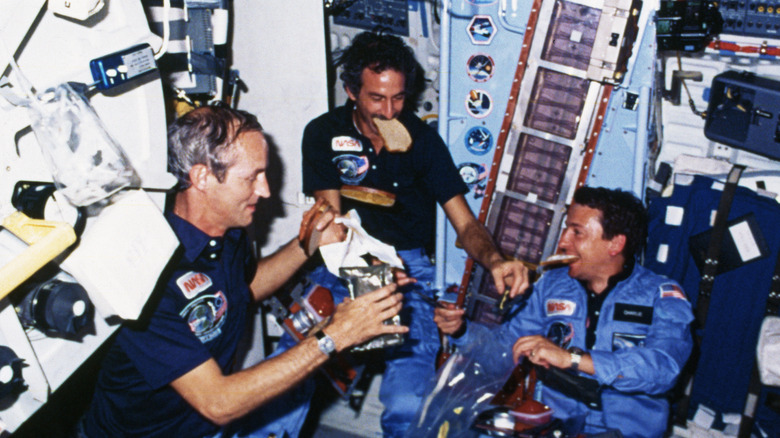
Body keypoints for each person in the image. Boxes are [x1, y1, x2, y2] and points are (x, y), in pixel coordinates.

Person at [79, 105, 409, 437]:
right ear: (203, 177)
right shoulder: (147, 273)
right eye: (252, 177)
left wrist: (306, 245)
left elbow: (243, 289)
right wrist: (334, 335)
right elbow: (218, 402)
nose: (265, 190)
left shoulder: (227, 233)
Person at [297, 31, 530, 437]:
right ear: (352, 91)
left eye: (398, 98)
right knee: (291, 377)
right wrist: (371, 274)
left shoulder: (423, 142)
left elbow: (466, 225)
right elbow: (330, 223)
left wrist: (495, 260)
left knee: (409, 404)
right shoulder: (323, 133)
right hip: (344, 264)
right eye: (376, 98)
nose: (389, 111)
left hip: (411, 272)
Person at [434, 186, 694, 437]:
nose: (562, 243)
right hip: (557, 430)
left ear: (614, 244)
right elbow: (504, 350)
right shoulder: (551, 285)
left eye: (576, 233)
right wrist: (461, 330)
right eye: (565, 230)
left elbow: (663, 369)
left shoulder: (662, 295)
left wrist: (571, 359)